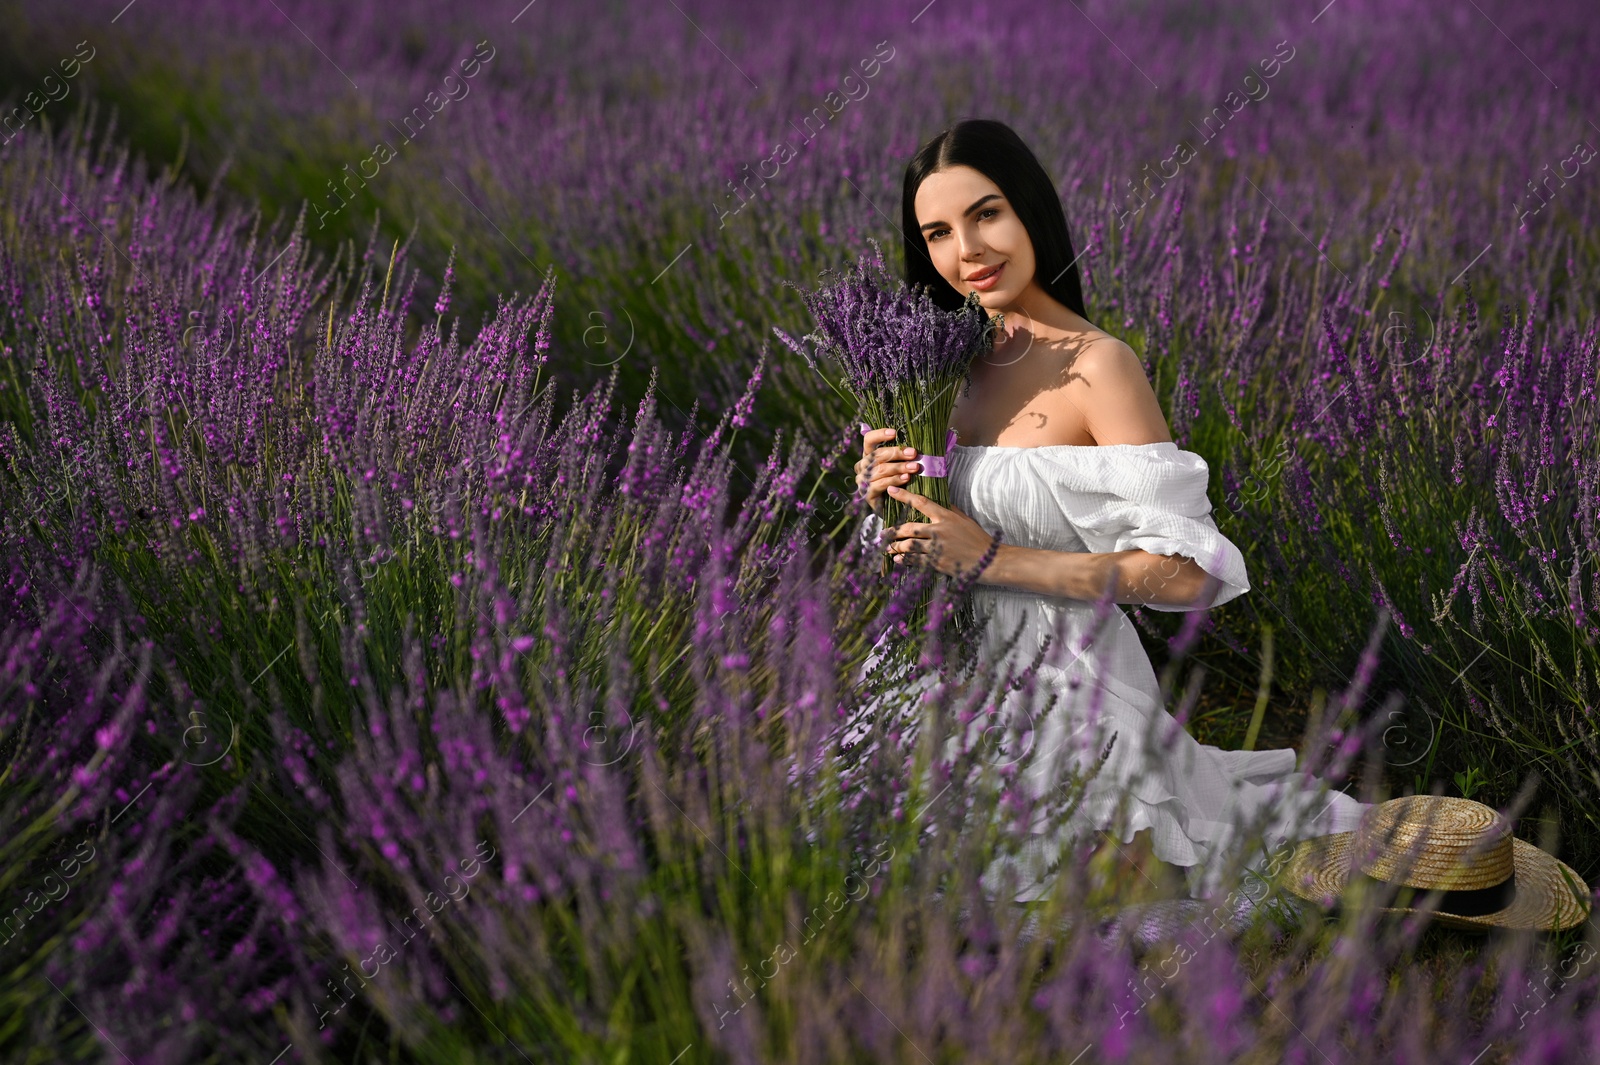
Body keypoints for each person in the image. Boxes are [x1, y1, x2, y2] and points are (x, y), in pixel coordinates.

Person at [843, 118, 1368, 904]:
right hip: (939, 666)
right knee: (878, 859)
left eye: (987, 214)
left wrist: (993, 558)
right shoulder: (926, 371)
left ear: (1030, 211)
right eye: (939, 232)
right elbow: (900, 560)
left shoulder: (1099, 367)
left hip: (1073, 677)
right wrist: (877, 500)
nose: (968, 250)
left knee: (1082, 886)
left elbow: (1184, 574)